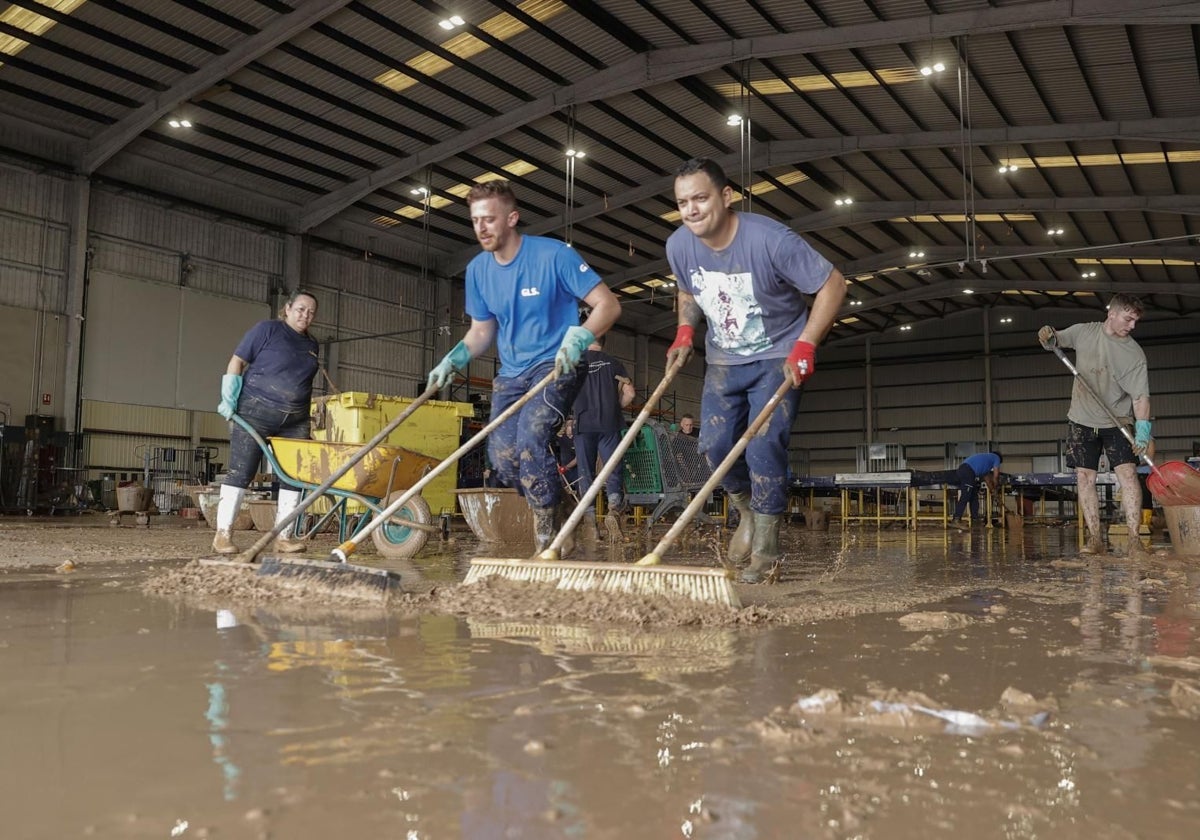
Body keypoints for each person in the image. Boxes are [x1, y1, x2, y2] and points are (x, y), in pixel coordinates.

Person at [665, 158, 846, 583]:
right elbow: (687, 290)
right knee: (713, 446)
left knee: (765, 446)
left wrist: (806, 343)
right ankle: (747, 511)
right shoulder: (678, 245)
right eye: (682, 202)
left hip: (777, 355)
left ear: (726, 197)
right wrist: (684, 332)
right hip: (724, 360)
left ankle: (767, 547)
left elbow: (833, 284)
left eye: (700, 198)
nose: (691, 210)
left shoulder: (769, 239)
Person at [427, 180, 621, 552]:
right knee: (502, 458)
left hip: (557, 362)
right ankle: (559, 506)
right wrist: (454, 358)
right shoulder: (478, 270)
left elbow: (608, 306)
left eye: (489, 219)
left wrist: (580, 336)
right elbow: (482, 331)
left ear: (512, 218)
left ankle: (546, 541)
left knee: (532, 439)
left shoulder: (553, 256)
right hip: (512, 374)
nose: (481, 228)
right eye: (475, 220)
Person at [1038, 293, 1152, 557]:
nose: (1132, 326)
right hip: (1081, 419)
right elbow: (1056, 340)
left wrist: (1143, 430)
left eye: (1135, 321)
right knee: (1084, 478)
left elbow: (1140, 397)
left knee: (1128, 475)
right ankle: (1095, 539)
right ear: (1112, 312)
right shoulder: (1084, 332)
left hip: (1118, 422)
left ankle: (1134, 540)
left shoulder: (1134, 354)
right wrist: (1048, 335)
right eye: (1128, 319)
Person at [213, 289, 319, 555]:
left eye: (310, 312)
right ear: (288, 308)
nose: (305, 315)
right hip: (255, 412)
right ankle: (223, 535)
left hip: (295, 420)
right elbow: (237, 361)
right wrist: (229, 398)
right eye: (300, 309)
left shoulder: (312, 345)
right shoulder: (267, 330)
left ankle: (284, 537)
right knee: (241, 471)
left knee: (294, 477)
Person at [571, 336, 636, 540]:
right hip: (609, 422)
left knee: (585, 472)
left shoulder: (575, 362)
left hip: (583, 422)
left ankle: (590, 521)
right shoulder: (613, 362)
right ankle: (614, 509)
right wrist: (615, 407)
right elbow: (630, 393)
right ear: (604, 342)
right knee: (612, 468)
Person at [949, 451, 1002, 529]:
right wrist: (996, 487)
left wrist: (993, 490)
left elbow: (988, 481)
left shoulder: (985, 465)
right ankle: (956, 519)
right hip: (968, 471)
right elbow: (996, 476)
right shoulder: (996, 457)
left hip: (966, 470)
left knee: (974, 497)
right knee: (965, 496)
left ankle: (975, 521)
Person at [554, 415, 579, 491]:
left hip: (575, 471)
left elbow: (578, 458)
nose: (569, 427)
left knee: (578, 491)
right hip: (563, 472)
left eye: (571, 425)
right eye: (568, 425)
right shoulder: (561, 439)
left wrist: (566, 467)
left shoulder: (578, 440)